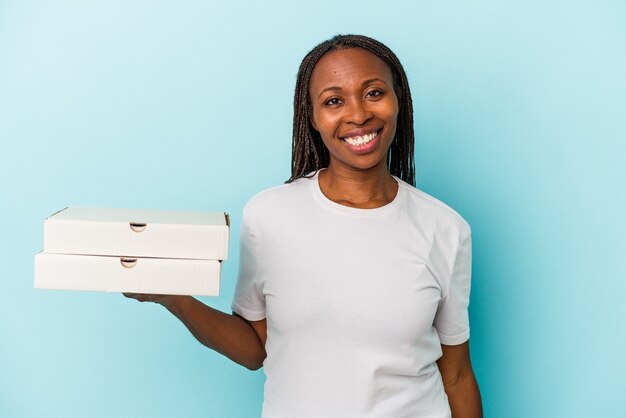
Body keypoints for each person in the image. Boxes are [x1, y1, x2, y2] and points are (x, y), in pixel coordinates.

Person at [126, 34, 482, 418]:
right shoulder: (269, 215)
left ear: (399, 101)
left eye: (374, 93)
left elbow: (458, 375)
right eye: (333, 100)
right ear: (312, 116)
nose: (358, 114)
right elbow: (254, 351)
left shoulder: (445, 228)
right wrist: (174, 298)